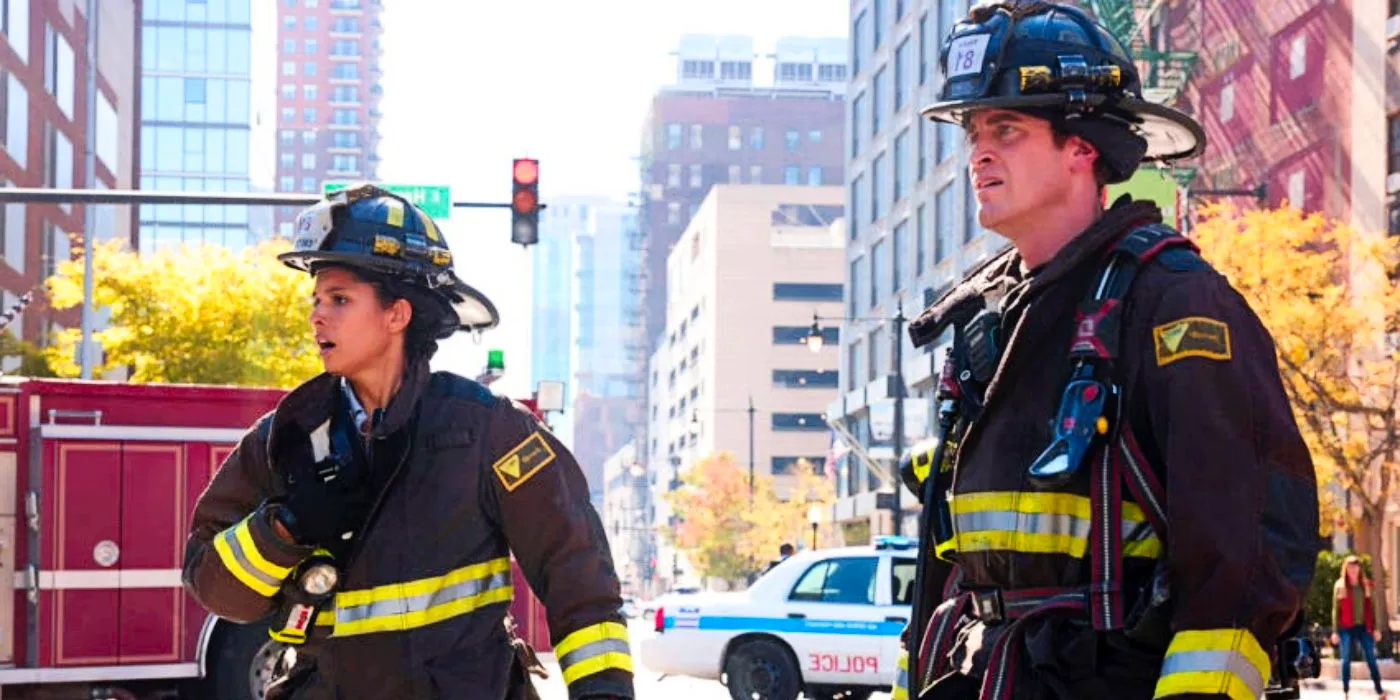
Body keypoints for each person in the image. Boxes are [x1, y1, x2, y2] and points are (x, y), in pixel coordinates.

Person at [891, 3, 1320, 700]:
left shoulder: (1174, 305)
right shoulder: (983, 319)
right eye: (973, 132)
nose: (978, 154)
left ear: (1082, 147)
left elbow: (1241, 563)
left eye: (1006, 128)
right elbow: (956, 561)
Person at [182, 184, 635, 699]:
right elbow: (213, 587)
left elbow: (579, 579)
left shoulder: (487, 432)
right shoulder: (286, 438)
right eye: (316, 299)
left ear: (397, 315)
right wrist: (283, 529)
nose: (316, 316)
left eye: (340, 299)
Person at [1332, 556, 1387, 699]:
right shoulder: (1340, 585)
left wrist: (1376, 628)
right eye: (1350, 566)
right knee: (1346, 659)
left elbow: (1373, 608)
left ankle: (1379, 691)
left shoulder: (1366, 585)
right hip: (1346, 627)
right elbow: (1335, 611)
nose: (1353, 569)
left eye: (1355, 566)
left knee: (1371, 658)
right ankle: (1345, 692)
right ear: (1346, 568)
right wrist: (1335, 631)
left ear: (1359, 569)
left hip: (1364, 627)